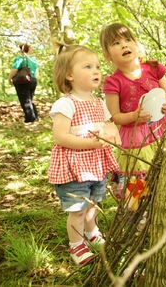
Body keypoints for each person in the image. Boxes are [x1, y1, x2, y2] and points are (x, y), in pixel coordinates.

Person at [48, 41, 119, 265]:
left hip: (96, 164)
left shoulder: (99, 103)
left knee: (92, 205)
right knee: (78, 208)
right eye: (87, 67)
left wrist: (112, 135)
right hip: (74, 167)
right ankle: (76, 245)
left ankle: (92, 233)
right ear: (69, 74)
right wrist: (91, 143)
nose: (96, 71)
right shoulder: (66, 103)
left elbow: (111, 125)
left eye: (97, 66)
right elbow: (60, 137)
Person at [99, 23, 166, 198]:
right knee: (140, 182)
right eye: (116, 43)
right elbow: (115, 117)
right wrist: (134, 116)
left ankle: (164, 203)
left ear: (136, 44)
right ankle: (140, 215)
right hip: (136, 137)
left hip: (162, 127)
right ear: (108, 55)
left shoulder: (153, 67)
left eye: (127, 40)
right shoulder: (113, 82)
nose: (124, 45)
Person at [8, 43, 39, 124]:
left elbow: (14, 70)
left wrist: (9, 79)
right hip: (33, 80)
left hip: (23, 81)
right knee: (29, 99)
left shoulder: (19, 59)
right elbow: (36, 72)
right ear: (29, 49)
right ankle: (36, 117)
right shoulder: (34, 59)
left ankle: (30, 119)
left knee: (25, 101)